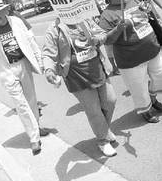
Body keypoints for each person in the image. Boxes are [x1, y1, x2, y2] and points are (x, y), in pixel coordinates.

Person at [0, 0, 49, 155]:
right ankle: (34, 138)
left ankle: (37, 126)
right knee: (20, 104)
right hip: (6, 70)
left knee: (31, 99)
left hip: (23, 64)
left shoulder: (16, 22)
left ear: (6, 10)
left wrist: (40, 61)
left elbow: (31, 41)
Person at [43, 18, 118, 157]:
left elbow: (102, 33)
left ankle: (104, 129)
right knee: (94, 110)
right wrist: (49, 70)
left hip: (97, 69)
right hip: (76, 76)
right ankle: (102, 141)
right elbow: (48, 53)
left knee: (110, 101)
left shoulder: (86, 19)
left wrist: (98, 39)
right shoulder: (54, 28)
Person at [99, 0, 162, 123]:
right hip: (131, 60)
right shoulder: (106, 15)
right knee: (138, 87)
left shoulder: (133, 1)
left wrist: (147, 12)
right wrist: (118, 29)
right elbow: (107, 40)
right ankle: (146, 110)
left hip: (152, 50)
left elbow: (146, 17)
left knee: (160, 75)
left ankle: (152, 99)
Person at [90, 0, 120, 75]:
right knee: (109, 47)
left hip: (114, 21)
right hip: (103, 26)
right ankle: (115, 68)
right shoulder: (92, 1)